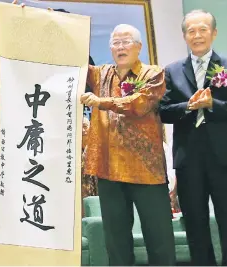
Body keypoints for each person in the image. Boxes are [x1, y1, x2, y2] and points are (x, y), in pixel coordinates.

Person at [81, 24, 175, 265]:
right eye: (116, 43)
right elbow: (71, 61)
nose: (120, 47)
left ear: (138, 47)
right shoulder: (100, 74)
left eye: (126, 42)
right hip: (109, 170)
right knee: (116, 244)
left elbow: (139, 104)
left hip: (146, 171)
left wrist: (102, 102)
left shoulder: (153, 73)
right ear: (110, 48)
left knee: (160, 241)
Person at [160, 9, 227, 266]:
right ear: (185, 36)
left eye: (203, 29)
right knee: (196, 224)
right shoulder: (173, 70)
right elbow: (163, 112)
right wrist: (188, 106)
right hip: (189, 160)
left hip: (223, 158)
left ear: (214, 33)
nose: (197, 35)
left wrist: (213, 105)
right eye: (191, 31)